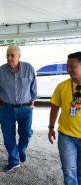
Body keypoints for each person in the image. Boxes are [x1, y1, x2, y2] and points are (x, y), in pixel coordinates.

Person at [0, 45, 37, 172]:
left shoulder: (29, 68)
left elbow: (34, 87)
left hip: (25, 108)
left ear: (19, 56)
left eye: (12, 55)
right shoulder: (1, 70)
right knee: (8, 136)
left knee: (26, 133)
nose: (9, 58)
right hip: (6, 109)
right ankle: (14, 160)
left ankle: (21, 149)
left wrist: (32, 102)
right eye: (7, 55)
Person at [48, 52, 81, 185]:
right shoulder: (62, 86)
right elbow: (55, 108)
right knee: (69, 170)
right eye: (67, 66)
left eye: (72, 66)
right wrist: (51, 128)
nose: (69, 69)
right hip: (66, 136)